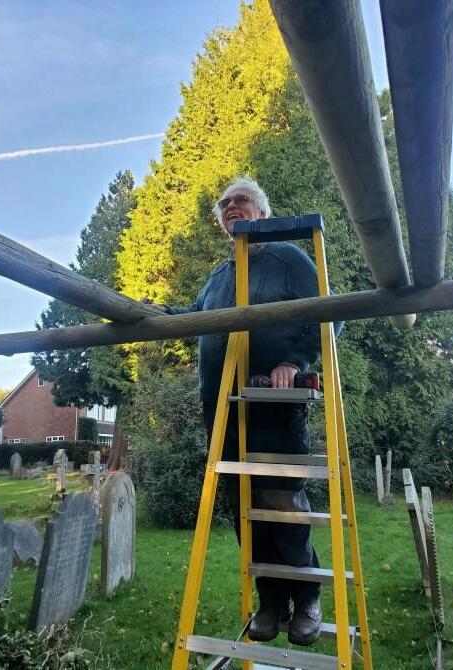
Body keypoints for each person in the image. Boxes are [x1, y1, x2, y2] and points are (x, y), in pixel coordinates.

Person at [164, 177, 342, 646]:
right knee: (242, 507)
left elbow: (331, 313)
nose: (229, 206)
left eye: (239, 200)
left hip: (273, 402)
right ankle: (270, 602)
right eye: (223, 203)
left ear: (262, 212)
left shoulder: (288, 259)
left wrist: (295, 361)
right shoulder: (219, 276)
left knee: (280, 502)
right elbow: (192, 315)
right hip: (221, 405)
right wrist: (150, 313)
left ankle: (306, 599)